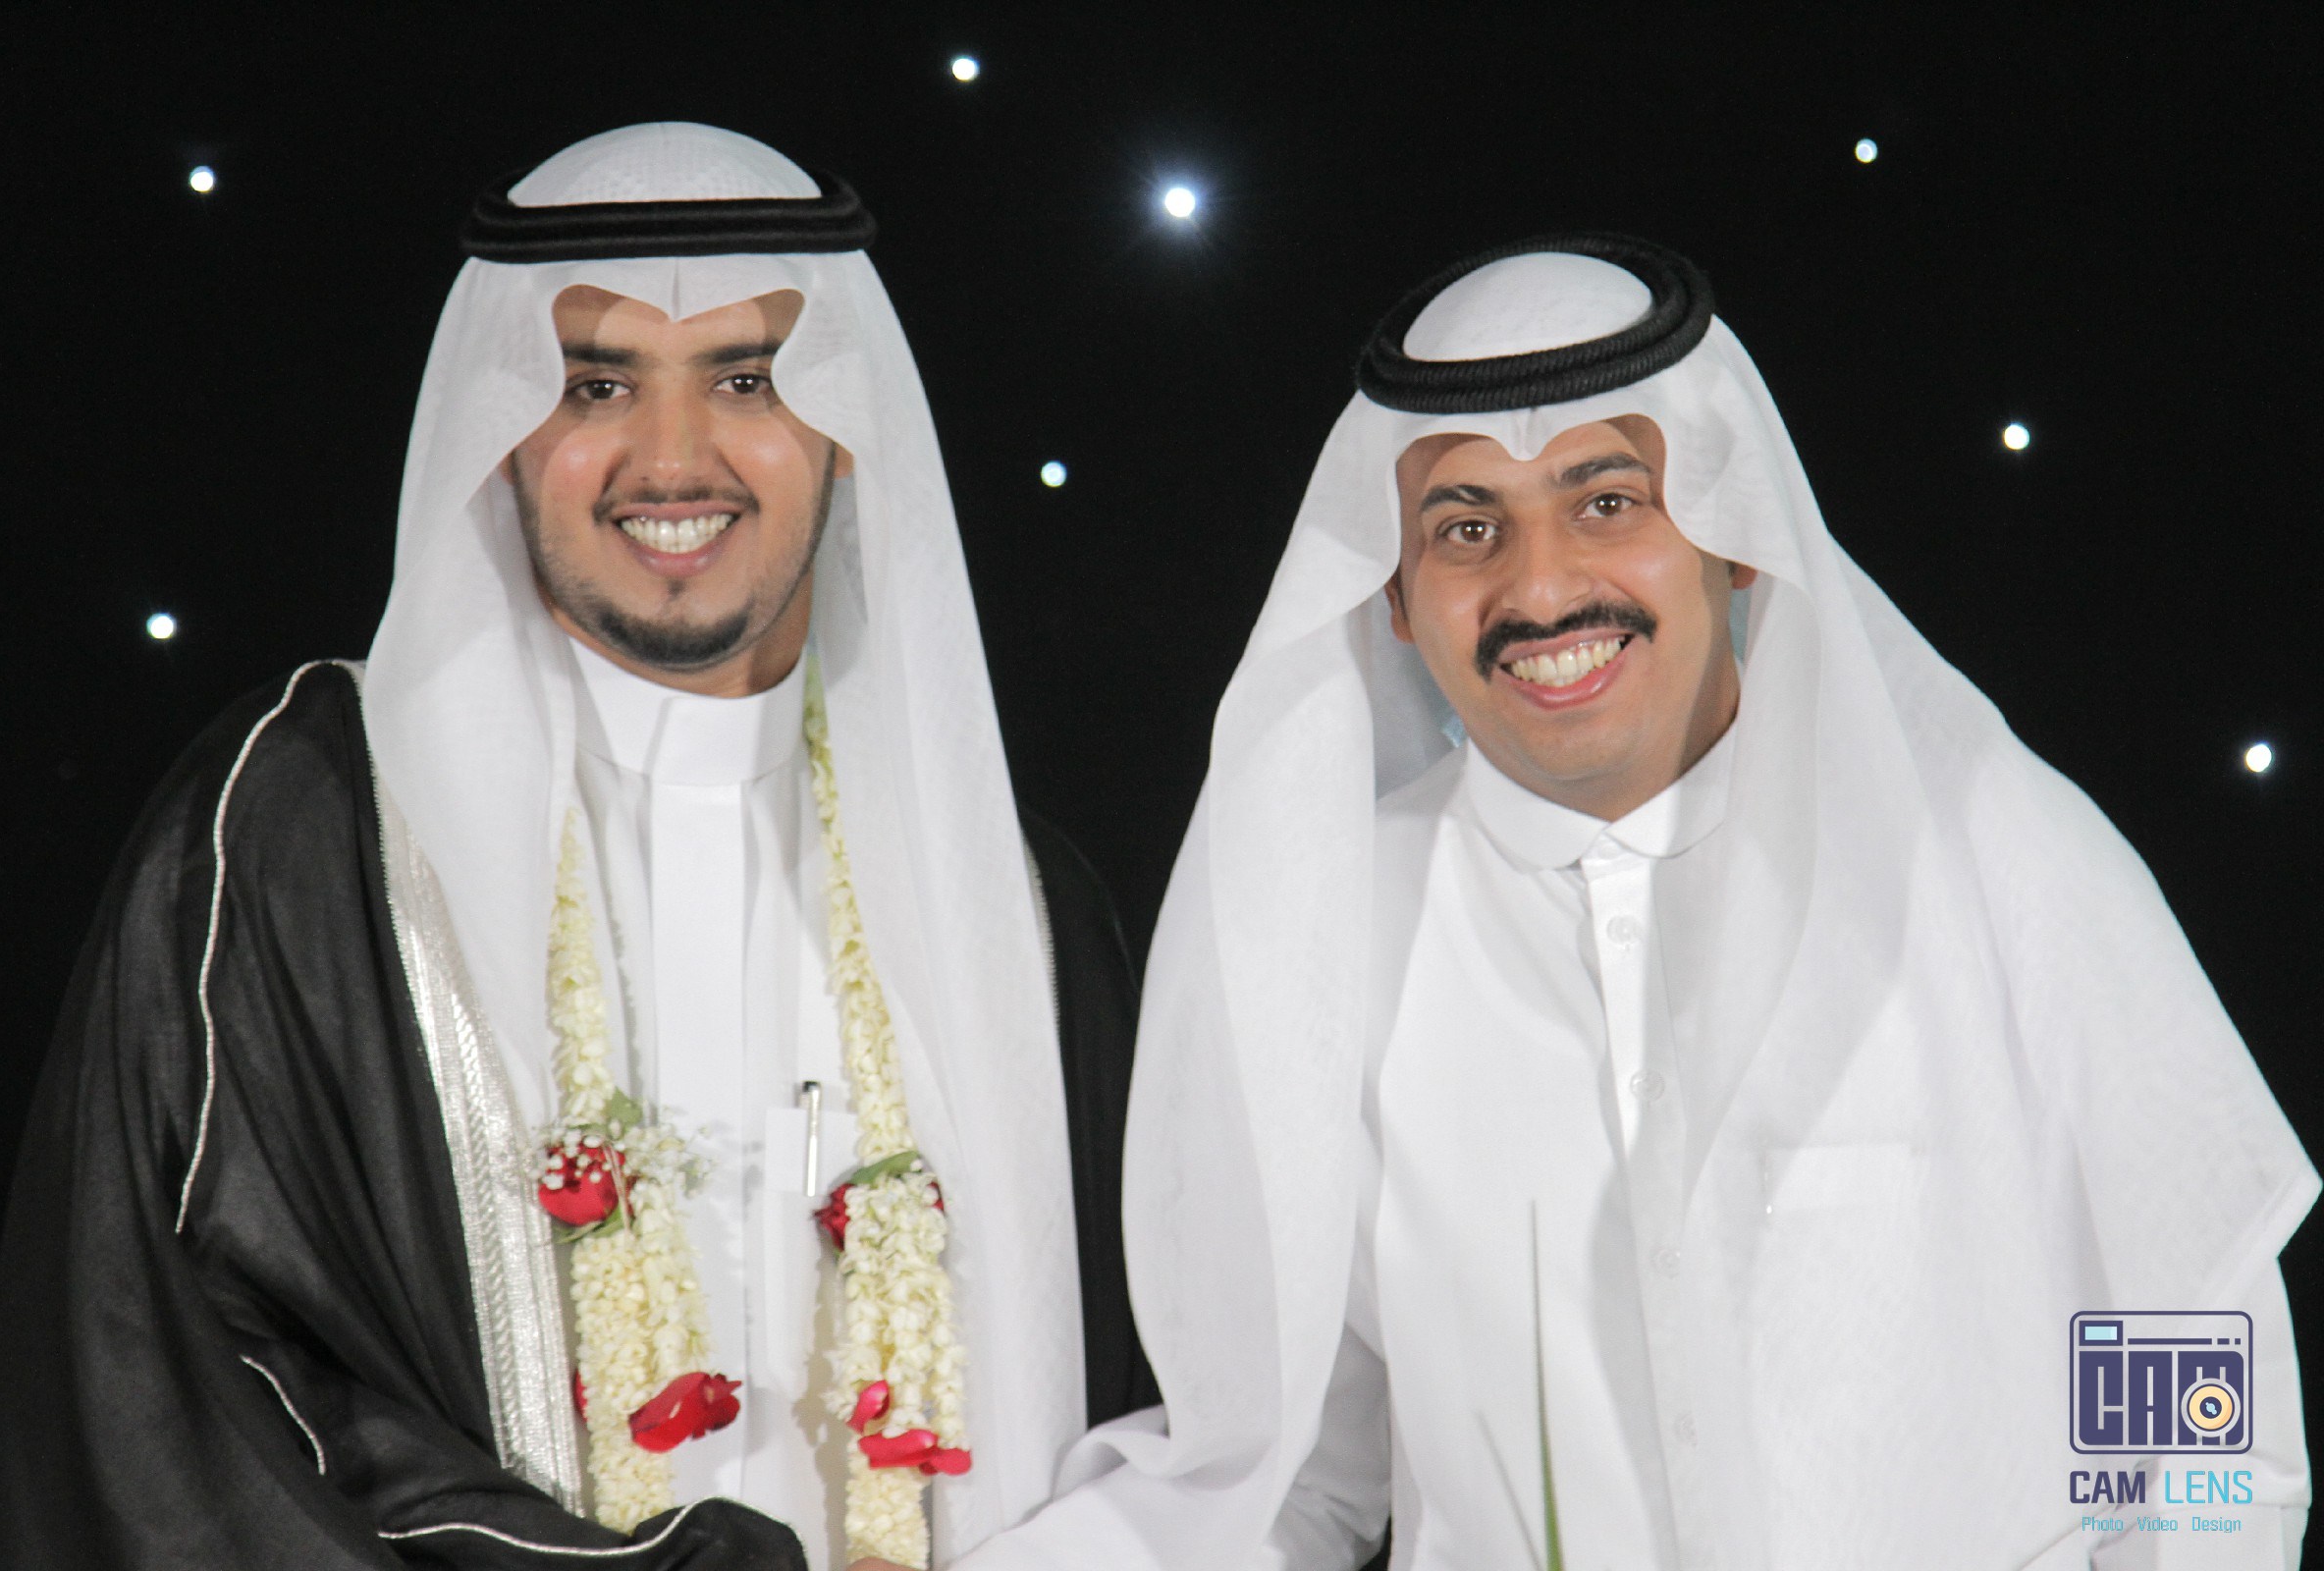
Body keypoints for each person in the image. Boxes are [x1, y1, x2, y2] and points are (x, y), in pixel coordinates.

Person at [964, 237, 2314, 1570]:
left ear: (1737, 537)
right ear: (1394, 597)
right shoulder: (1330, 935)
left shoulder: (1989, 860)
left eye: (1607, 502)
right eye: (1467, 529)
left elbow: (2201, 1412)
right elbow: (1281, 1482)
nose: (1542, 589)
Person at [0, 123, 1153, 1571]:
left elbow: (1157, 1410)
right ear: (503, 425)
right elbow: (157, 1386)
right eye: (597, 383)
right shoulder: (302, 835)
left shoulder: (1018, 907)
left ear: (846, 426)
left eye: (747, 379)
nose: (673, 459)